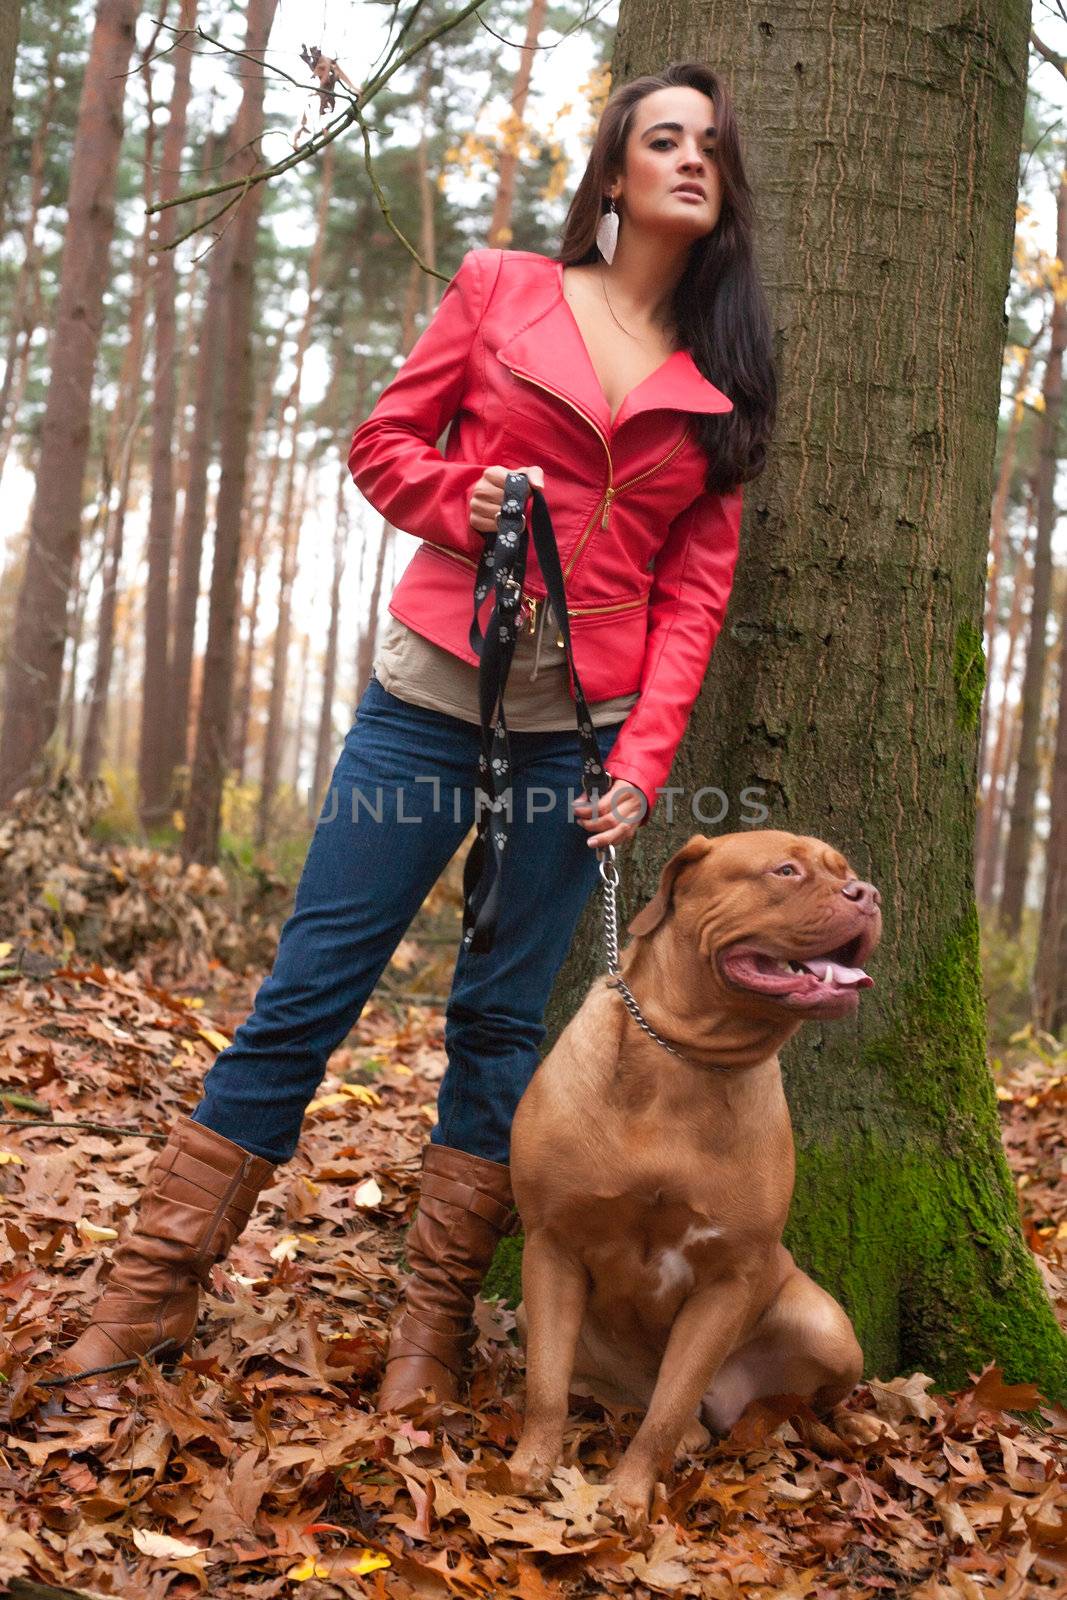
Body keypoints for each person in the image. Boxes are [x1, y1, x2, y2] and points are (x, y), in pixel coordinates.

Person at [47, 59, 775, 1405]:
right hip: (430, 703)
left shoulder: (725, 381)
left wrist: (641, 763)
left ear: (726, 194)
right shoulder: (503, 289)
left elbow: (695, 597)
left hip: (578, 749)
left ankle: (429, 1329)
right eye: (660, 139)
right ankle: (146, 1295)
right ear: (613, 173)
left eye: (710, 149)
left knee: (499, 1029)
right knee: (306, 999)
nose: (687, 159)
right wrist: (466, 500)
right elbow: (384, 442)